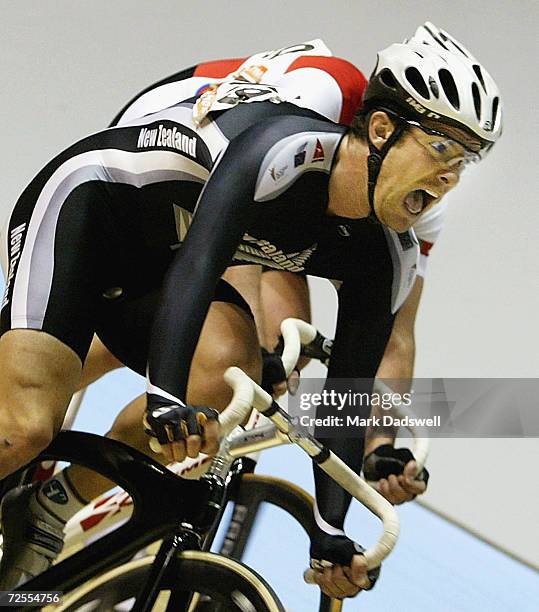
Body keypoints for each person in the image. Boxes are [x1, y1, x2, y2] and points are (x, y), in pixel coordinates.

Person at [0, 23, 502, 599]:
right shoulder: (292, 133)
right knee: (24, 427)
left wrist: (331, 530)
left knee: (229, 372)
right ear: (382, 129)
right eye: (442, 148)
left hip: (173, 242)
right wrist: (166, 397)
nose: (451, 175)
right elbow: (202, 263)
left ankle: (45, 510)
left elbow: (347, 400)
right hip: (98, 201)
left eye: (465, 161)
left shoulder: (390, 248)